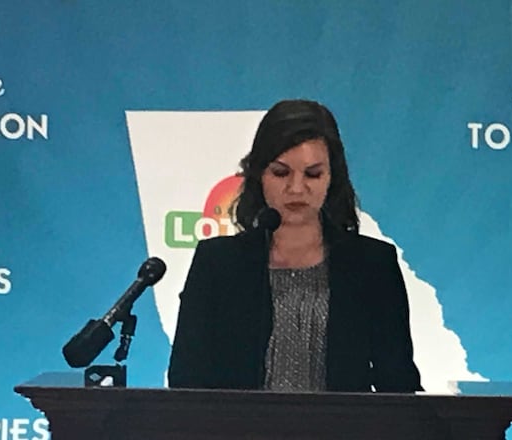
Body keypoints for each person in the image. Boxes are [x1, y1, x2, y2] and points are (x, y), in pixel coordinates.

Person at [167, 99, 422, 393]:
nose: (297, 188)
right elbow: (187, 381)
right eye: (280, 172)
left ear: (332, 178)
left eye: (313, 174)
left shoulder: (372, 265)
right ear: (259, 175)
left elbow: (399, 387)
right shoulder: (218, 263)